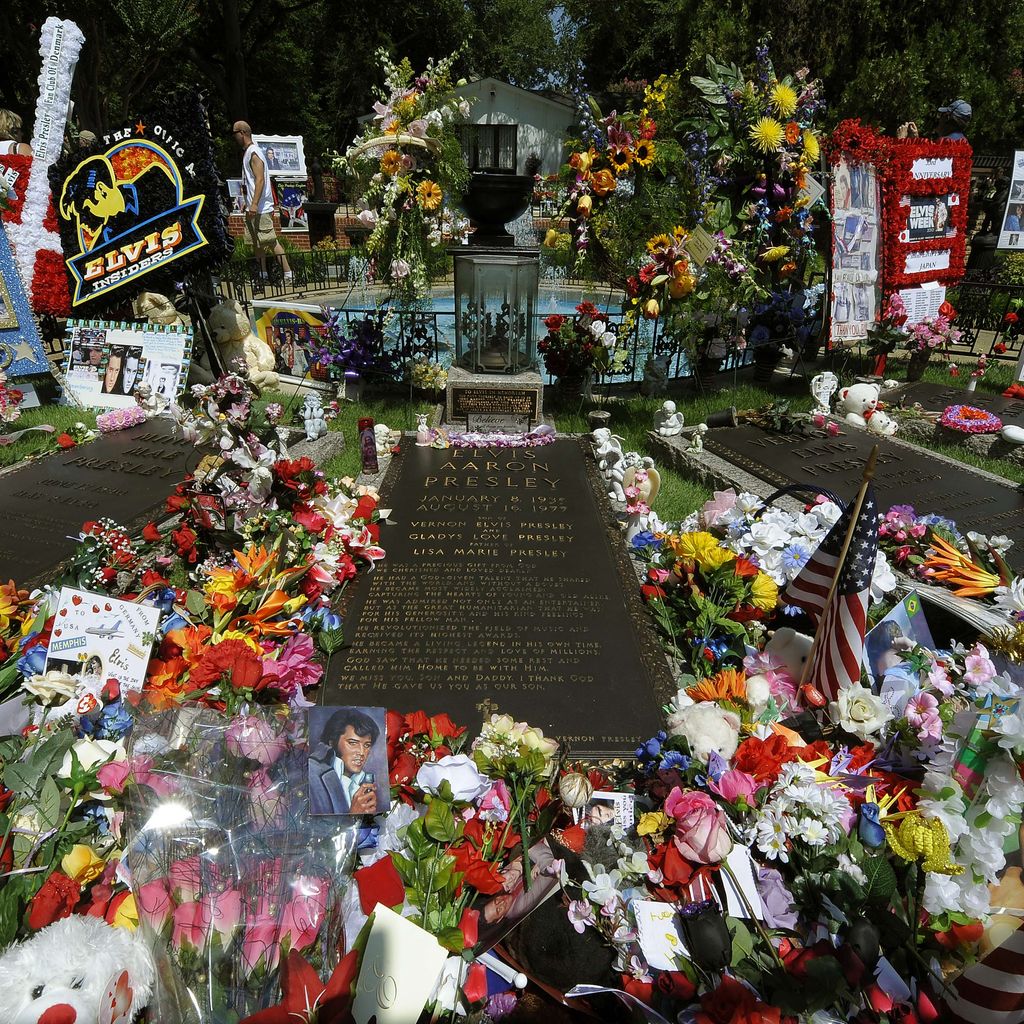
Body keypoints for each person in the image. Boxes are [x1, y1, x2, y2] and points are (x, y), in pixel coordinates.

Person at [232, 121, 292, 283]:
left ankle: (288, 274)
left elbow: (260, 181)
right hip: (253, 208)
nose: (234, 137)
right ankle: (263, 274)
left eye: (235, 133)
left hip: (261, 208)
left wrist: (254, 203)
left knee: (270, 241)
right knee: (256, 243)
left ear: (243, 133)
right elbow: (250, 182)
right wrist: (247, 201)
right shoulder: (248, 153)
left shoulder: (254, 153)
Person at [308, 707, 380, 815]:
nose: (361, 752)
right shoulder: (312, 775)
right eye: (352, 743)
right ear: (332, 742)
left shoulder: (364, 780)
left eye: (367, 745)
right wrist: (352, 816)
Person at [897, 98, 971, 142]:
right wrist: (915, 139)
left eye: (942, 115)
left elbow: (925, 167)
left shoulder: (945, 142)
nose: (939, 119)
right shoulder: (963, 141)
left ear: (947, 118)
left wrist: (901, 141)